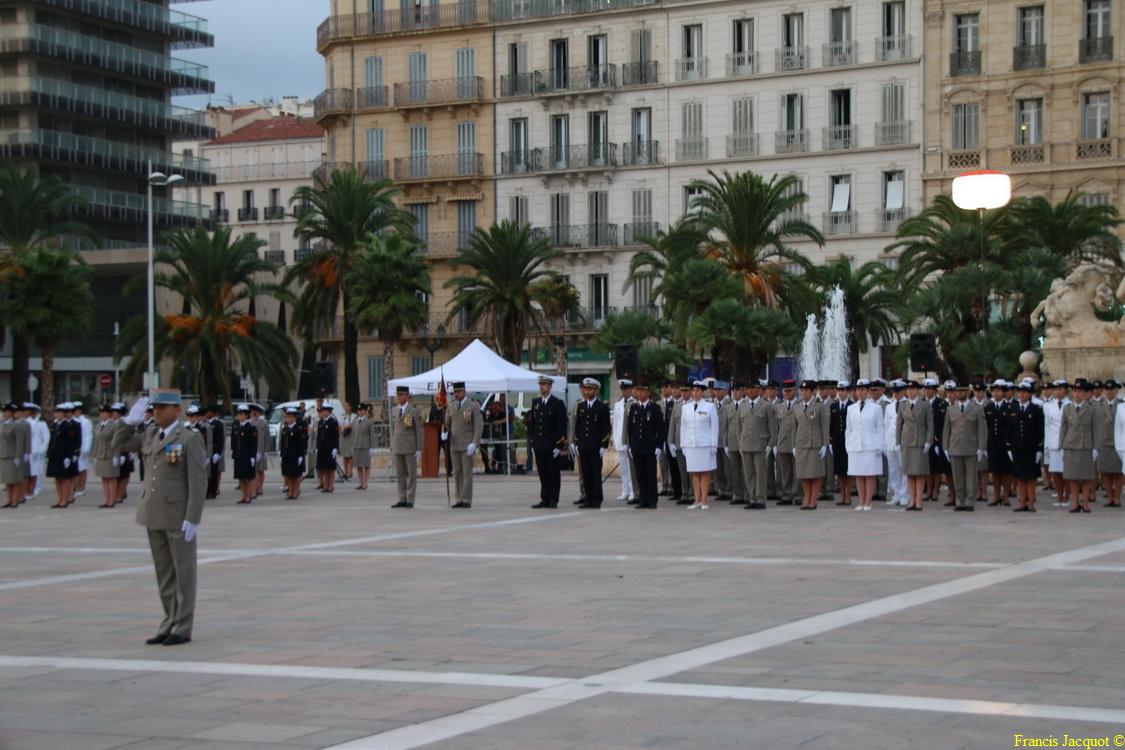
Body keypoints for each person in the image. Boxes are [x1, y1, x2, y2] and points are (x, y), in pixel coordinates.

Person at [118, 390, 206, 647]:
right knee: (164, 572)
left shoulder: (189, 439)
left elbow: (198, 482)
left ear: (176, 410)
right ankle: (169, 621)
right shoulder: (150, 434)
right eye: (154, 407)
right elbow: (115, 443)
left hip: (178, 516)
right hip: (153, 513)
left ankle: (183, 625)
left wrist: (193, 517)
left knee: (184, 571)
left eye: (163, 407)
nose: (156, 412)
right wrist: (127, 423)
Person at [943, 383, 987, 512]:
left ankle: (969, 501)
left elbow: (982, 430)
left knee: (971, 477)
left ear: (968, 392)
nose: (960, 394)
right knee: (958, 477)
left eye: (962, 391)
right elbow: (946, 430)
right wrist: (945, 447)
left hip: (971, 447)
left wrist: (981, 447)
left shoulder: (977, 409)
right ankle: (959, 501)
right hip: (955, 447)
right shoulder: (950, 409)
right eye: (957, 391)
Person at [569, 378, 611, 509]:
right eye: (586, 389)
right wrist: (576, 442)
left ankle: (597, 499)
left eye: (590, 389)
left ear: (596, 390)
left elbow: (606, 428)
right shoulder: (581, 406)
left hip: (595, 446)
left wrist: (603, 446)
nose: (587, 392)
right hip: (583, 445)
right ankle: (588, 498)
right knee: (586, 474)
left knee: (595, 474)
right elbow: (578, 426)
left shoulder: (602, 407)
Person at [528, 375, 568, 509]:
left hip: (552, 445)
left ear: (550, 386)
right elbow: (533, 424)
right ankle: (544, 498)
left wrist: (559, 445)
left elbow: (561, 426)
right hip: (540, 445)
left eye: (544, 384)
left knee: (553, 473)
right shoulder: (536, 402)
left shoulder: (557, 403)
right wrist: (533, 443)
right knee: (543, 473)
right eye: (540, 384)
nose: (542, 387)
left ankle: (553, 499)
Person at [1060, 381, 1099, 513]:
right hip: (1071, 446)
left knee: (1087, 476)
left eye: (1080, 391)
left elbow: (1095, 429)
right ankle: (1075, 502)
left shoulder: (1091, 408)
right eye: (1075, 391)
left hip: (1085, 445)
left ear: (1084, 393)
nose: (1077, 394)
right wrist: (1061, 446)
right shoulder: (1067, 408)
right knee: (1073, 476)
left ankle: (1086, 502)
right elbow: (1063, 428)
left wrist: (1095, 448)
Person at [625, 381, 664, 509]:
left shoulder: (654, 408)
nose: (639, 393)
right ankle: (643, 499)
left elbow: (660, 429)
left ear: (648, 392)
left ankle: (652, 500)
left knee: (651, 474)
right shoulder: (634, 408)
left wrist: (659, 446)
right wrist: (630, 445)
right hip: (637, 447)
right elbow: (630, 429)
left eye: (642, 391)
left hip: (650, 447)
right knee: (640, 474)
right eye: (638, 390)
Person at [443, 383, 483, 509]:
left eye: (459, 392)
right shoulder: (451, 406)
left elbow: (478, 426)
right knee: (457, 473)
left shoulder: (473, 405)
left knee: (467, 473)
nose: (456, 394)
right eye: (455, 392)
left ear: (464, 392)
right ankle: (458, 498)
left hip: (467, 445)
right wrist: (444, 433)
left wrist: (475, 443)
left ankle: (466, 499)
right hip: (454, 444)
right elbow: (447, 423)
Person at [738, 379, 777, 511]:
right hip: (746, 444)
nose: (750, 391)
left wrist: (770, 445)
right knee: (749, 474)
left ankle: (760, 498)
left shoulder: (766, 405)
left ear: (759, 390)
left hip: (760, 444)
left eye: (753, 388)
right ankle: (752, 498)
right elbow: (739, 427)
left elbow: (773, 428)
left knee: (760, 473)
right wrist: (740, 442)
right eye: (748, 388)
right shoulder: (743, 405)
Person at [846, 380, 884, 511]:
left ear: (867, 392)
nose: (860, 392)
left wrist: (880, 446)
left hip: (871, 446)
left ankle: (868, 501)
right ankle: (861, 500)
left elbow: (880, 428)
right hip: (856, 446)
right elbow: (848, 429)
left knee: (869, 474)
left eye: (863, 390)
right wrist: (848, 445)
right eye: (858, 390)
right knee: (859, 474)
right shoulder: (851, 408)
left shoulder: (876, 408)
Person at [1006, 382, 1044, 512]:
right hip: (1018, 448)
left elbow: (1040, 431)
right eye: (1020, 391)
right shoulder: (1013, 409)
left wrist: (1039, 449)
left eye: (1024, 392)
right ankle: (1022, 502)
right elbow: (1009, 430)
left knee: (1031, 477)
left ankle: (1031, 502)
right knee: (1020, 477)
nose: (1021, 394)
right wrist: (1009, 447)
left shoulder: (1036, 409)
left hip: (1031, 448)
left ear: (1029, 394)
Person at [794, 380, 830, 510]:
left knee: (814, 474)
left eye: (806, 390)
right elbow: (795, 427)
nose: (803, 393)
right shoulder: (797, 406)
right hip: (801, 444)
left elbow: (824, 426)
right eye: (802, 390)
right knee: (804, 474)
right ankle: (806, 498)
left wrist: (825, 444)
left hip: (815, 444)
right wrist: (794, 445)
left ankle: (813, 500)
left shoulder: (819, 406)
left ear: (812, 391)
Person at [897, 380, 933, 512]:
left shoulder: (925, 405)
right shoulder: (902, 405)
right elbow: (899, 425)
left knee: (919, 472)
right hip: (907, 442)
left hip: (920, 442)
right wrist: (898, 442)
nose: (910, 392)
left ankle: (919, 501)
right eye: (908, 389)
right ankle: (911, 499)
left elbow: (930, 424)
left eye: (913, 389)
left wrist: (929, 441)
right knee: (909, 473)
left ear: (917, 391)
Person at [390, 386, 423, 508]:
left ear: (407, 396)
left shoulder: (413, 410)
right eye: (398, 395)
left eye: (402, 395)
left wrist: (419, 448)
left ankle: (410, 498)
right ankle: (401, 498)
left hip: (410, 446)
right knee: (400, 474)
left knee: (411, 474)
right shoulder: (394, 410)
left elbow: (419, 430)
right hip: (398, 447)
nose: (399, 398)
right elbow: (395, 429)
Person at [45, 403, 81, 508]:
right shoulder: (55, 425)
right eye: (56, 412)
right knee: (57, 478)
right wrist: (49, 453)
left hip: (64, 455)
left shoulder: (68, 426)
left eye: (59, 413)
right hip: (55, 455)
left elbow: (72, 442)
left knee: (65, 478)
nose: (57, 414)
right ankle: (59, 499)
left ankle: (65, 500)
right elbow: (52, 441)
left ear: (64, 414)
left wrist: (70, 456)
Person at [985, 380, 1013, 506]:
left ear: (1003, 393)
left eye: (999, 391)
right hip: (993, 444)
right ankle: (996, 495)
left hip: (1005, 444)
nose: (996, 393)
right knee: (995, 471)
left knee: (1006, 472)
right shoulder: (988, 408)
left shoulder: (1009, 408)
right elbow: (986, 426)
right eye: (994, 391)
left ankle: (1006, 495)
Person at [1042, 380, 1069, 508]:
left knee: (1067, 472)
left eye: (1061, 389)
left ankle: (1067, 495)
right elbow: (1047, 426)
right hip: (1053, 442)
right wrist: (1046, 444)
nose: (1058, 391)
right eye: (1056, 389)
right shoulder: (1048, 406)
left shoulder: (1070, 404)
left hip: (1067, 442)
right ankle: (1059, 495)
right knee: (1055, 471)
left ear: (1066, 390)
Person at [1096, 379, 1122, 507]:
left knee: (1118, 472)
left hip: (1118, 442)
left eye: (1112, 390)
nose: (1109, 392)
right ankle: (1109, 497)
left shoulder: (1122, 404)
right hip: (1104, 441)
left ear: (1116, 391)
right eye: (1107, 390)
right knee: (1105, 471)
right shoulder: (1099, 405)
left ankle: (1117, 497)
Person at [774, 380, 799, 506]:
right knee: (785, 471)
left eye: (790, 391)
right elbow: (776, 427)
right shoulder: (779, 407)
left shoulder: (799, 405)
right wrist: (774, 444)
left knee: (797, 471)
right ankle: (787, 494)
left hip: (796, 443)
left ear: (794, 391)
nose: (787, 393)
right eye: (785, 391)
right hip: (783, 443)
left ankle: (797, 494)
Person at [882, 380, 907, 507]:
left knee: (904, 470)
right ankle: (896, 494)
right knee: (893, 470)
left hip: (903, 442)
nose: (896, 394)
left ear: (903, 391)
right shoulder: (889, 406)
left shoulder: (907, 404)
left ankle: (904, 495)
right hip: (891, 442)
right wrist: (885, 444)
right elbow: (886, 426)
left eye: (898, 391)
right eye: (894, 392)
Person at [611, 380, 637, 503]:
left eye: (627, 390)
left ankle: (633, 491)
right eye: (623, 390)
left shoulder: (634, 403)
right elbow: (616, 424)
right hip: (620, 441)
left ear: (631, 390)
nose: (625, 392)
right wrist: (615, 440)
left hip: (629, 441)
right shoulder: (618, 404)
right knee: (623, 468)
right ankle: (625, 491)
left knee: (632, 469)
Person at [93, 404, 122, 508]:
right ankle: (106, 499)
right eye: (101, 413)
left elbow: (117, 441)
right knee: (104, 478)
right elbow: (96, 442)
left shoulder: (114, 425)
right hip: (101, 454)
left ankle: (112, 500)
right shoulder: (98, 425)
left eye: (104, 413)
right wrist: (94, 455)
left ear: (109, 414)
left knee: (111, 478)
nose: (102, 415)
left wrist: (116, 455)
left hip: (110, 454)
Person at [1, 401, 28, 509]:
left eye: (6, 412)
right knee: (7, 480)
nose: (4, 413)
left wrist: (18, 456)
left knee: (15, 480)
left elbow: (19, 442)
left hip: (12, 455)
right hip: (3, 455)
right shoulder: (2, 424)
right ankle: (9, 499)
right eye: (3, 411)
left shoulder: (15, 425)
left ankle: (15, 500)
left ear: (11, 413)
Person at [230, 404, 258, 504]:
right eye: (239, 414)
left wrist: (253, 457)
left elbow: (254, 444)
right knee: (241, 477)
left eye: (242, 414)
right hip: (238, 455)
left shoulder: (251, 427)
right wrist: (233, 455)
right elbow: (234, 441)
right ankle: (243, 495)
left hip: (247, 455)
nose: (240, 416)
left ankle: (248, 496)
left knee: (249, 477)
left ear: (246, 415)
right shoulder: (236, 425)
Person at [724, 382, 746, 506]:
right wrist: (726, 443)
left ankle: (748, 494)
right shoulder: (729, 407)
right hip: (732, 442)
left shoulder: (746, 405)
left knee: (746, 470)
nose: (735, 393)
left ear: (743, 392)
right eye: (734, 391)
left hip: (744, 442)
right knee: (734, 470)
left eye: (738, 390)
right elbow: (726, 427)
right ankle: (737, 494)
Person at [279, 406, 308, 499]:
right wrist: (281, 454)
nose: (288, 419)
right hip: (287, 455)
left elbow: (302, 442)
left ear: (295, 417)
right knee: (289, 474)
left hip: (295, 455)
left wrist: (301, 455)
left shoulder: (299, 428)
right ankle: (290, 491)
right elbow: (283, 442)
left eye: (291, 417)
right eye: (287, 417)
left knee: (296, 475)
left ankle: (295, 492)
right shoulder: (285, 428)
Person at [830, 380, 851, 505]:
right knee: (839, 472)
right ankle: (842, 496)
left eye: (843, 390)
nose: (841, 393)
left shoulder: (852, 405)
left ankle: (848, 496)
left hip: (848, 442)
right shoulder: (834, 406)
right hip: (837, 442)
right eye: (839, 390)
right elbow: (832, 425)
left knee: (847, 471)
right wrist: (830, 440)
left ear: (847, 392)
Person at [657, 381, 680, 498]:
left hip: (672, 437)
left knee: (673, 463)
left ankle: (672, 486)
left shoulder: (674, 403)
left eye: (666, 387)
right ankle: (664, 485)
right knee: (663, 463)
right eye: (662, 387)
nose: (664, 389)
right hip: (662, 437)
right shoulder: (659, 404)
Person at [25, 403, 48, 501]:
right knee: (28, 471)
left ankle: (36, 489)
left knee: (37, 470)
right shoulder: (24, 422)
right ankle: (27, 490)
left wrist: (42, 450)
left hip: (37, 451)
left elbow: (46, 438)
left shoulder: (41, 424)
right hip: (27, 451)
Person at [351, 402, 376, 491]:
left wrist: (372, 447)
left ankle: (365, 483)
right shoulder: (355, 421)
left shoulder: (369, 421)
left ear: (365, 411)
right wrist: (352, 445)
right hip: (357, 445)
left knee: (366, 465)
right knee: (359, 465)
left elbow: (372, 435)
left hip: (366, 445)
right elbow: (353, 434)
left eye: (361, 410)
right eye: (358, 410)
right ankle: (361, 482)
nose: (359, 412)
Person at [315, 403, 340, 493]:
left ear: (329, 411)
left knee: (331, 468)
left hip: (330, 447)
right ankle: (325, 485)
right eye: (323, 410)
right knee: (324, 467)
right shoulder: (321, 422)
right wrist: (317, 447)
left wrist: (335, 448)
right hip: (322, 448)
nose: (324, 412)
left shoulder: (333, 421)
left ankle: (331, 485)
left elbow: (336, 436)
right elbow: (319, 435)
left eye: (326, 411)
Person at [73, 402, 93, 499]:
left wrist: (86, 448)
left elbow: (88, 436)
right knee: (75, 469)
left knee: (82, 468)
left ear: (80, 411)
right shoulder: (72, 421)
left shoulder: (85, 421)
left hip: (82, 448)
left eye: (75, 411)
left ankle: (82, 488)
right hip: (74, 448)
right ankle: (75, 487)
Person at [204, 405, 224, 499]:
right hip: (207, 451)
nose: (207, 413)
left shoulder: (218, 424)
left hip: (214, 451)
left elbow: (220, 439)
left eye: (209, 412)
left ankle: (213, 491)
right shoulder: (206, 423)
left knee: (213, 473)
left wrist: (218, 453)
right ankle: (207, 491)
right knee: (207, 473)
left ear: (213, 413)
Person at [339, 401, 356, 481]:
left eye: (347, 406)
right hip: (343, 437)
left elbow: (352, 424)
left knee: (350, 456)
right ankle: (345, 472)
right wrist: (341, 429)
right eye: (344, 406)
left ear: (350, 407)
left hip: (350, 437)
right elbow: (339, 425)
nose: (345, 408)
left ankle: (350, 472)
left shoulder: (353, 416)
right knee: (344, 456)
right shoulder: (342, 416)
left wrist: (345, 427)